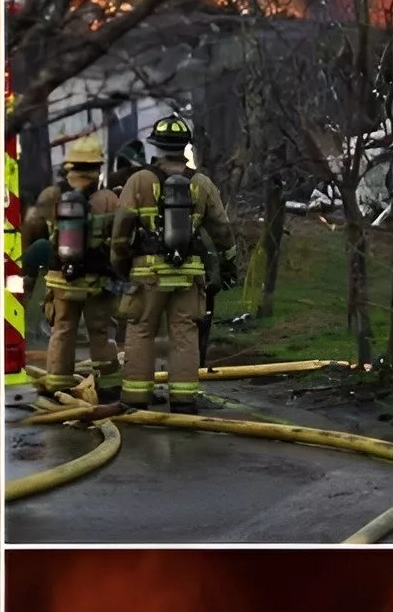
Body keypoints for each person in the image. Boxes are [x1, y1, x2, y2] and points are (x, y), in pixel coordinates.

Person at [113, 114, 235, 413]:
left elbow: (121, 229)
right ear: (185, 147)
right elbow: (222, 230)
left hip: (148, 272)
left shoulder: (139, 180)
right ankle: (183, 401)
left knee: (141, 330)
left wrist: (120, 264)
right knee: (185, 333)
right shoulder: (202, 183)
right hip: (189, 273)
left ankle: (136, 399)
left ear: (156, 145)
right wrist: (228, 263)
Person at [21, 135, 121, 399]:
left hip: (61, 279)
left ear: (69, 166)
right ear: (97, 167)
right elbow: (120, 238)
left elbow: (35, 231)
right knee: (100, 331)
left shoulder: (52, 195)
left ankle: (57, 385)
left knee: (62, 329)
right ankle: (109, 386)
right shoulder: (108, 198)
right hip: (96, 280)